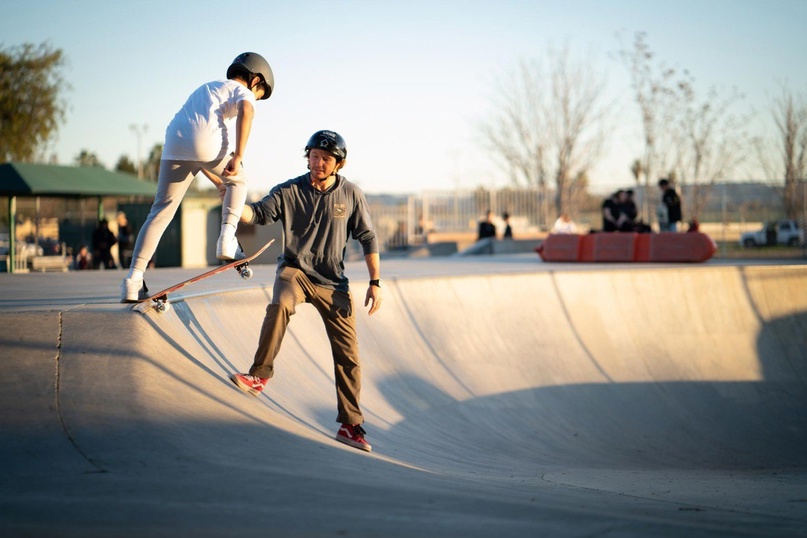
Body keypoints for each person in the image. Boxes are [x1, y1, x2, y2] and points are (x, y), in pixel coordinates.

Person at [229, 130, 381, 452]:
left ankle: (351, 425)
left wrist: (375, 282)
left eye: (325, 159)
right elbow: (256, 214)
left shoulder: (351, 194)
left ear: (339, 163)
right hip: (295, 271)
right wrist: (231, 199)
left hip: (333, 282)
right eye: (313, 156)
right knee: (280, 303)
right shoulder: (289, 190)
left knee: (349, 354)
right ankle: (259, 375)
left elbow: (368, 237)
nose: (318, 163)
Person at [120, 52, 274, 302]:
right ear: (255, 80)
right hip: (204, 141)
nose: (257, 99)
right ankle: (227, 238)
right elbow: (246, 111)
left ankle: (133, 280)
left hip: (175, 140)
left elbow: (195, 144)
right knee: (239, 180)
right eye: (260, 94)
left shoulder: (209, 88)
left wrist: (217, 180)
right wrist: (238, 155)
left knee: (160, 212)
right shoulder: (243, 92)